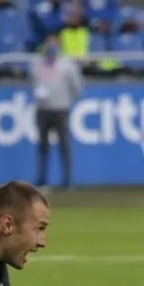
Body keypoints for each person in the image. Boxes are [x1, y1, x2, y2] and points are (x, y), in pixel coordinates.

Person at [32, 35, 82, 190]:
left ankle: (67, 180)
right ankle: (42, 180)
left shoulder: (67, 65)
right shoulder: (37, 63)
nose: (51, 48)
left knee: (64, 145)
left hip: (61, 108)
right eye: (49, 45)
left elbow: (77, 87)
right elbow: (34, 83)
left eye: (54, 45)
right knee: (43, 146)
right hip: (43, 109)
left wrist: (65, 99)